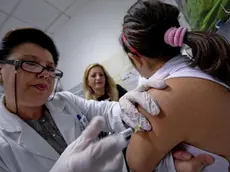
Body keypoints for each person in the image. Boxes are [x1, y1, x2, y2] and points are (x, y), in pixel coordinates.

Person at [0, 27, 212, 172]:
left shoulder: (64, 101)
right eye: (30, 63)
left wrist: (129, 105)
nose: (45, 74)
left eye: (50, 68)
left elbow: (107, 112)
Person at [119, 0, 230, 171]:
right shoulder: (207, 63)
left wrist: (169, 163)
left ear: (135, 58)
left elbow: (135, 165)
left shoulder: (158, 103)